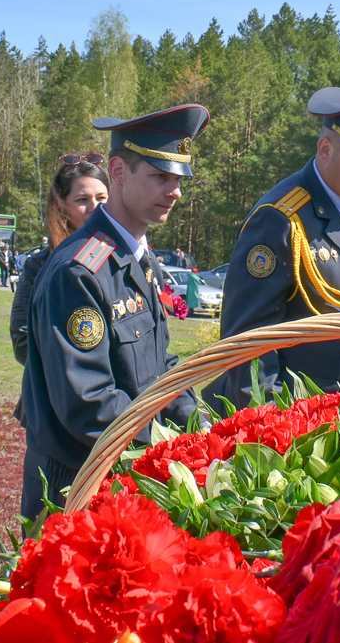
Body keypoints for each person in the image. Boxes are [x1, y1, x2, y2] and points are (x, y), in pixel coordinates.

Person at [20, 105, 210, 519]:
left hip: (125, 473)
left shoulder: (135, 258)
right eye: (160, 176)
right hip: (78, 490)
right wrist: (168, 443)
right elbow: (88, 401)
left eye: (179, 179)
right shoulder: (80, 270)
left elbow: (157, 367)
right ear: (119, 172)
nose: (175, 191)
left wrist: (203, 426)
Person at [205, 87, 340, 409]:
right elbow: (247, 343)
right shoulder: (280, 218)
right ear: (325, 149)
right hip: (305, 423)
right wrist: (272, 427)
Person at [10, 153, 110, 421]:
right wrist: (73, 365)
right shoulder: (39, 265)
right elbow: (22, 340)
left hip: (113, 408)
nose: (94, 208)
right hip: (52, 407)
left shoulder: (123, 259)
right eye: (81, 200)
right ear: (61, 206)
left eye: (101, 198)